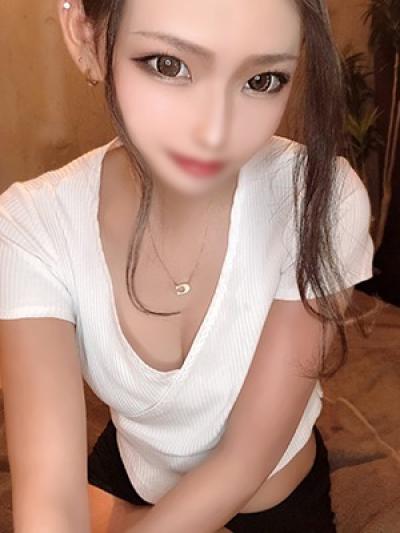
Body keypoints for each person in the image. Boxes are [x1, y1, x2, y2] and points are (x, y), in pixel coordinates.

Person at [0, 0, 375, 532]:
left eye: (262, 80)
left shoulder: (319, 198)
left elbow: (244, 459)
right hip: (130, 473)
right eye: (168, 65)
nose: (215, 133)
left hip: (271, 499)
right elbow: (49, 504)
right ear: (85, 35)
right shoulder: (31, 226)